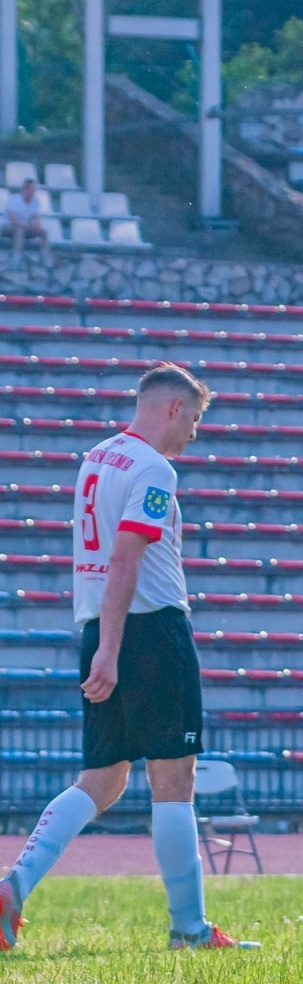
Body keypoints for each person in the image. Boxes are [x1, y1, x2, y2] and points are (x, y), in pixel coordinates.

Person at [0, 364, 258, 952]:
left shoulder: (98, 458)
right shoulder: (152, 467)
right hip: (148, 633)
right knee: (174, 776)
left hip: (96, 625)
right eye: (194, 418)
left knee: (102, 779)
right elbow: (126, 557)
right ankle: (189, 929)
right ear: (172, 409)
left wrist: (104, 645)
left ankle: (14, 884)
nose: (194, 432)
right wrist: (116, 651)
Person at [6, 178, 49, 262]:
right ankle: (16, 258)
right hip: (8, 227)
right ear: (25, 189)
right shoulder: (14, 199)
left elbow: (37, 217)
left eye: (34, 189)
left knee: (44, 232)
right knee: (19, 230)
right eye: (30, 188)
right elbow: (13, 221)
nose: (32, 191)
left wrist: (38, 226)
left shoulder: (36, 201)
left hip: (26, 227)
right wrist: (29, 226)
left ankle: (44, 257)